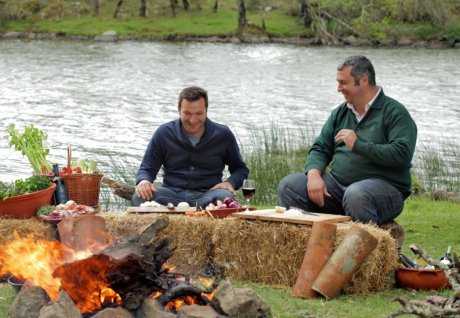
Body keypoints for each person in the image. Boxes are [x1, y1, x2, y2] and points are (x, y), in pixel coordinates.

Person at [278, 55, 417, 248]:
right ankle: (309, 248)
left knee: (356, 194)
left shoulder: (395, 112)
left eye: (344, 83)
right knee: (289, 185)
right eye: (338, 83)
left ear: (364, 80)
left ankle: (364, 257)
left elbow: (402, 154)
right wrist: (313, 174)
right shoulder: (341, 113)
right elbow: (321, 147)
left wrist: (358, 144)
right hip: (338, 189)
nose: (339, 88)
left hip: (385, 191)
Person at [132, 86, 249, 208]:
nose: (193, 120)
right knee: (138, 198)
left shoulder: (223, 134)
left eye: (198, 113)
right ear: (179, 110)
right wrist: (144, 181)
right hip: (170, 194)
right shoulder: (163, 133)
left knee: (225, 198)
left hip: (208, 194)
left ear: (206, 111)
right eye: (187, 113)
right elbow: (147, 168)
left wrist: (230, 183)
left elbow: (240, 169)